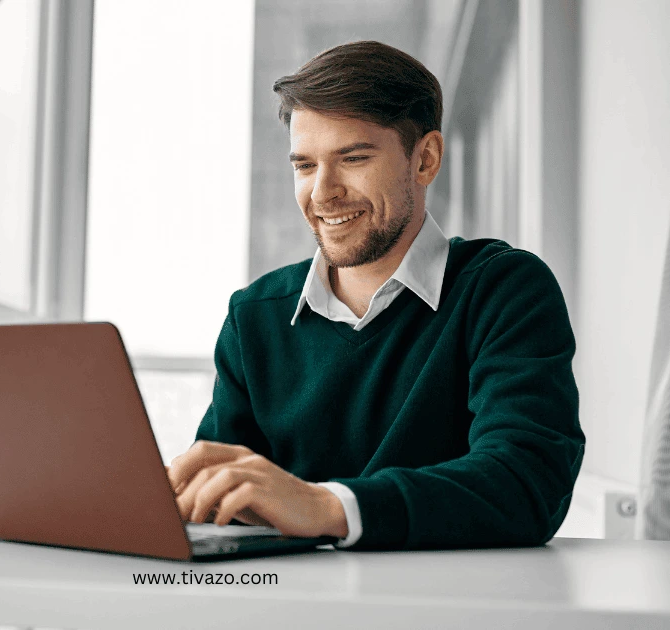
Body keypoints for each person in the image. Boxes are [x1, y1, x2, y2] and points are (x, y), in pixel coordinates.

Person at [166, 40, 585, 550]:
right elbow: (220, 503)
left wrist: (326, 506)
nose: (323, 192)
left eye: (353, 157)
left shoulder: (504, 292)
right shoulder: (255, 317)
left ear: (425, 159)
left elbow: (526, 483)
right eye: (304, 166)